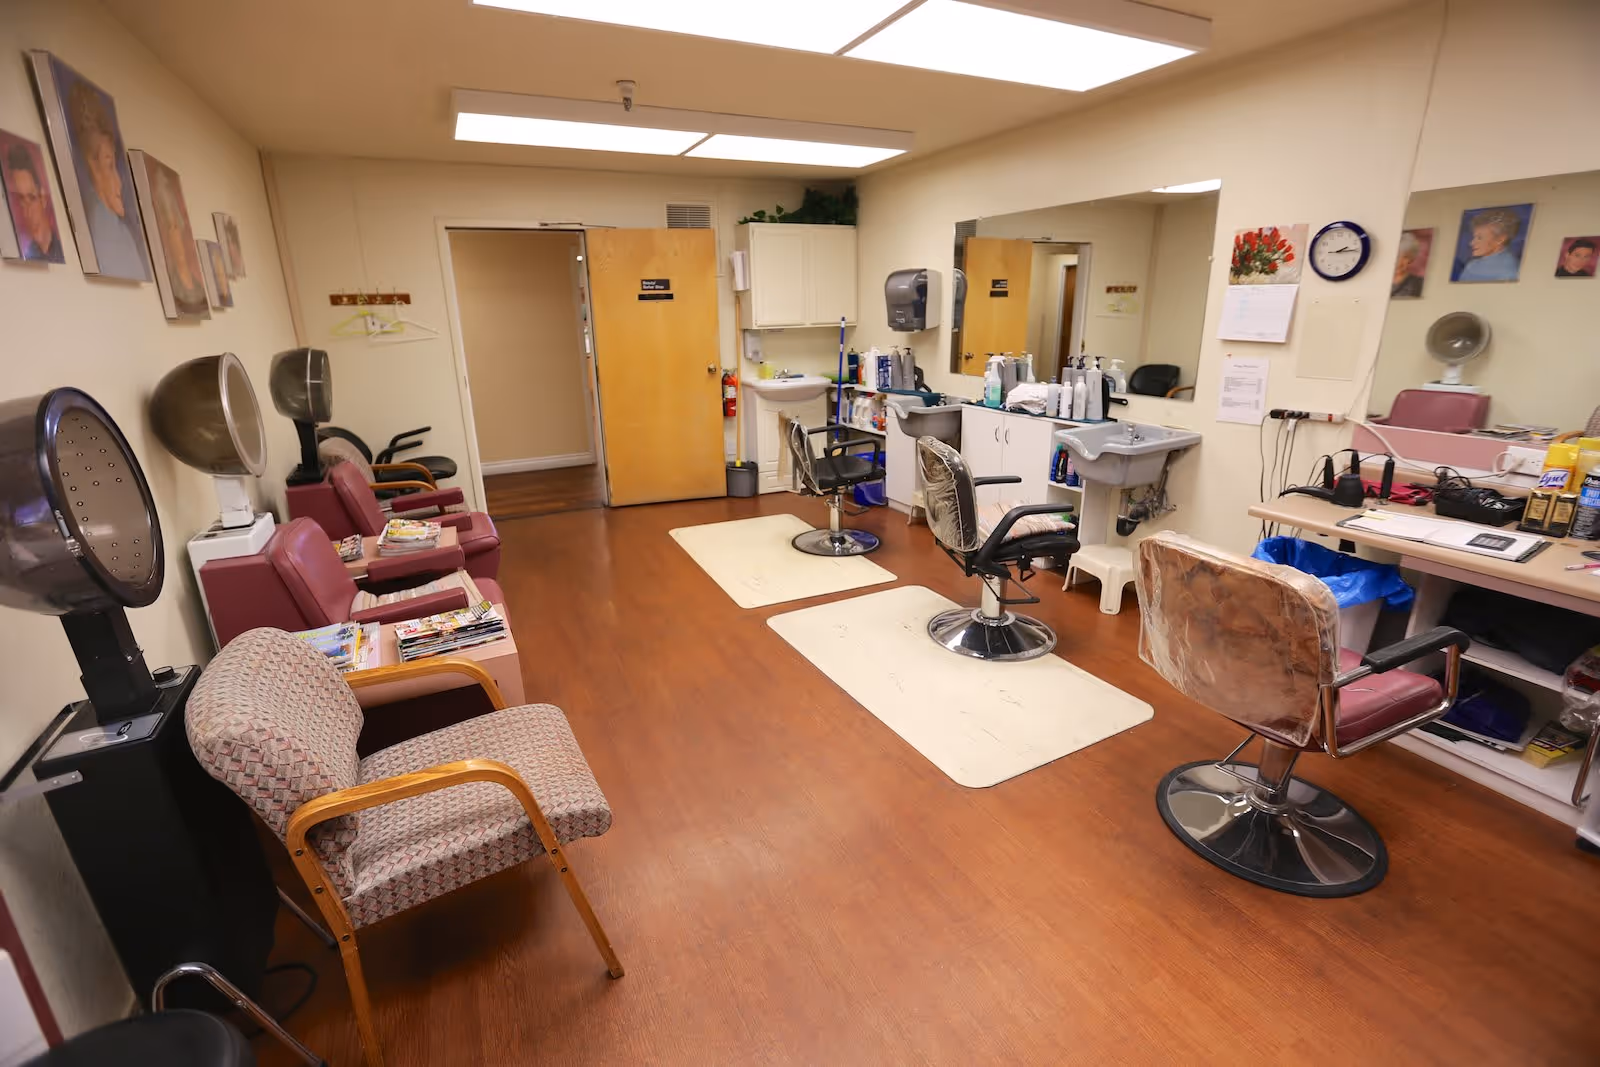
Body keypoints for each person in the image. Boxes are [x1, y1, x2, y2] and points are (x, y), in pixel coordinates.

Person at [65, 76, 147, 279]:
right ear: (92, 167)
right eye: (109, 166)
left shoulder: (119, 232)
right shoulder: (101, 228)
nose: (119, 182)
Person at [151, 164, 207, 315]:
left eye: (176, 226)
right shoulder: (170, 282)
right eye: (171, 227)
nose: (176, 234)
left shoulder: (198, 288)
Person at [5, 144, 63, 263]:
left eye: (32, 198)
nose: (28, 212)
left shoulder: (63, 249)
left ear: (43, 198)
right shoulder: (26, 256)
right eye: (21, 200)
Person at [1455, 209, 1523, 282]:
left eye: (1479, 238)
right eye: (1474, 237)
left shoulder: (1510, 272)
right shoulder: (1472, 265)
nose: (1471, 243)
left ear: (1500, 239)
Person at [1391, 230, 1424, 298]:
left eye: (1407, 257)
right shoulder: (1377, 280)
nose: (1402, 262)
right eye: (1398, 256)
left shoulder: (1419, 283)